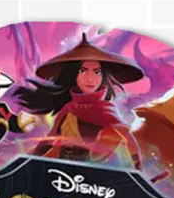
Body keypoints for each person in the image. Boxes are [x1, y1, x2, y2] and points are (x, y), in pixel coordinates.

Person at [14, 33, 144, 168]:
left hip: (91, 172)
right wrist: (28, 160)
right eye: (83, 71)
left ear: (103, 76)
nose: (90, 79)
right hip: (62, 170)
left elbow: (128, 139)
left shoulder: (106, 109)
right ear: (74, 74)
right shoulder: (68, 109)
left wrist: (138, 167)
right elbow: (48, 141)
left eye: (97, 72)